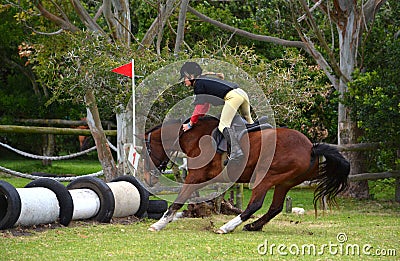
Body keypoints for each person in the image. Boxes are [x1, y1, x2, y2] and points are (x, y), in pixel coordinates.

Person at [180, 61, 254, 162]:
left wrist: (190, 124)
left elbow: (200, 107)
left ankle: (236, 152)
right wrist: (197, 119)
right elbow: (205, 107)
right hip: (242, 93)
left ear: (191, 76)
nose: (184, 81)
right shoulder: (204, 81)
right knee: (248, 121)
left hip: (232, 97)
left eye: (184, 78)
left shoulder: (199, 84)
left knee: (223, 125)